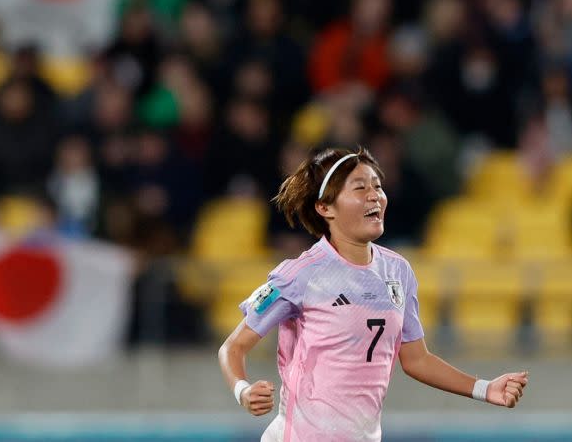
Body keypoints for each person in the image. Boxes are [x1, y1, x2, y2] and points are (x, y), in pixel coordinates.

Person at [218, 148, 529, 441]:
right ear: (325, 207)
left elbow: (416, 359)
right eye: (359, 188)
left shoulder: (398, 271)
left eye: (377, 186)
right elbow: (232, 348)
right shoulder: (301, 274)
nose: (374, 196)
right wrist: (243, 390)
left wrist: (484, 388)